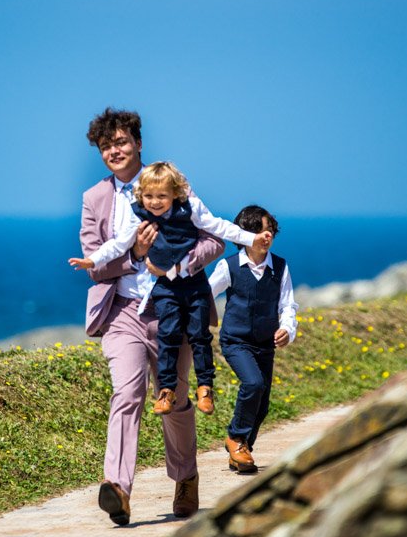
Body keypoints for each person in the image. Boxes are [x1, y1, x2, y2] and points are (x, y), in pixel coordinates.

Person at [75, 108, 225, 526]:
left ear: (138, 143)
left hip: (172, 309)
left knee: (175, 400)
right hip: (122, 312)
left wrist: (180, 265)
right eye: (106, 146)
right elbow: (94, 263)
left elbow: (214, 240)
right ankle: (118, 488)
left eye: (121, 142)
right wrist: (135, 256)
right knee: (126, 392)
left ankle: (185, 477)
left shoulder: (171, 187)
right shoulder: (94, 199)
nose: (114, 151)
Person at [71, 161, 271, 418]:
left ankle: (205, 387)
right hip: (165, 287)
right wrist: (93, 260)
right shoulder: (139, 214)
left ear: (175, 193)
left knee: (199, 336)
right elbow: (119, 244)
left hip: (193, 283)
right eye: (149, 196)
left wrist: (250, 238)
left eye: (162, 196)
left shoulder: (191, 208)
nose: (155, 202)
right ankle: (166, 390)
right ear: (141, 195)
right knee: (167, 335)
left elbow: (219, 227)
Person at [208, 205, 298, 474]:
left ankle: (242, 451)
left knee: (263, 402)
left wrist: (287, 329)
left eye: (270, 229)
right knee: (253, 383)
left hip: (265, 344)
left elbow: (288, 306)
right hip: (236, 341)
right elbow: (205, 295)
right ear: (245, 235)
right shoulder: (229, 266)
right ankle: (236, 438)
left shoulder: (279, 267)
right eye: (259, 229)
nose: (266, 234)